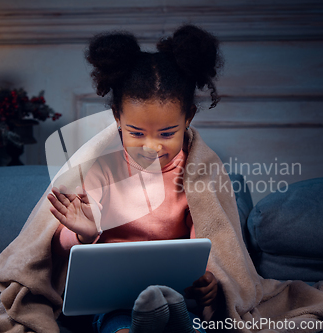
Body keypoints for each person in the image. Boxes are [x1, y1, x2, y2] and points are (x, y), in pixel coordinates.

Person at [47, 24, 223, 333]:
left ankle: (179, 322)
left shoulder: (195, 174)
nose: (152, 147)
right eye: (136, 133)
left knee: (186, 317)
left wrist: (210, 279)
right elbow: (58, 249)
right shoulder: (103, 169)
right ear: (117, 117)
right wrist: (83, 235)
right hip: (111, 298)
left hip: (175, 295)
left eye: (167, 134)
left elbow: (211, 241)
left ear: (189, 118)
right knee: (116, 321)